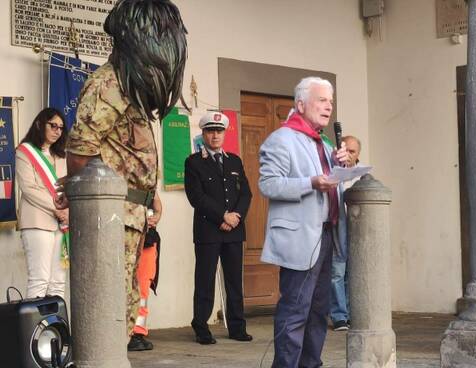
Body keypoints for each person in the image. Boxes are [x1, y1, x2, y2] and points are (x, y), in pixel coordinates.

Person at [55, 0, 188, 338]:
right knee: (107, 310)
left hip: (130, 213)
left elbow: (125, 152)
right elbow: (81, 152)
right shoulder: (108, 84)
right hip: (111, 216)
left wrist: (149, 195)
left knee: (123, 307)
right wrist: (80, 194)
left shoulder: (130, 86)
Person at [259, 76, 349, 367]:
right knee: (296, 310)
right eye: (322, 100)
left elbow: (329, 182)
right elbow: (269, 184)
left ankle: (311, 364)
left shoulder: (322, 143)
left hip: (326, 235)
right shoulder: (281, 139)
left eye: (331, 102)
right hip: (300, 238)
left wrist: (340, 166)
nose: (328, 107)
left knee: (318, 311)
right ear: (300, 104)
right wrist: (311, 182)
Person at [184, 111, 253, 345]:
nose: (215, 135)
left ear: (224, 134)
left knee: (234, 280)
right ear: (203, 133)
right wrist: (222, 215)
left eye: (219, 131)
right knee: (205, 280)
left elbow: (245, 193)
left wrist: (236, 217)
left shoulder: (235, 161)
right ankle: (201, 326)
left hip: (234, 230)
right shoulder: (193, 162)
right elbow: (196, 197)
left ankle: (237, 326)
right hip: (208, 230)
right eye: (210, 131)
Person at [15, 108, 68, 299]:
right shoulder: (25, 151)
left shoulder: (61, 155)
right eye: (53, 125)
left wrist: (67, 210)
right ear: (40, 124)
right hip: (38, 221)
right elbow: (29, 188)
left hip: (61, 225)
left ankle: (54, 329)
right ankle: (36, 329)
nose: (57, 131)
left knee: (58, 282)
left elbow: (66, 189)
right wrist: (58, 208)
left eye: (61, 128)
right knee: (40, 279)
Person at [329, 135, 362, 331]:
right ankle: (339, 316)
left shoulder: (363, 174)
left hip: (359, 231)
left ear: (358, 155)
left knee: (354, 273)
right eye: (345, 150)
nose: (348, 155)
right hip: (338, 228)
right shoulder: (334, 172)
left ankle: (351, 314)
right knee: (337, 272)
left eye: (352, 151)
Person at [128, 192, 162, 351]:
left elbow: (157, 203)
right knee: (129, 286)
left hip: (148, 238)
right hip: (129, 236)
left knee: (143, 287)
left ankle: (138, 333)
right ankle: (129, 334)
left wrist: (156, 216)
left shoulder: (147, 179)